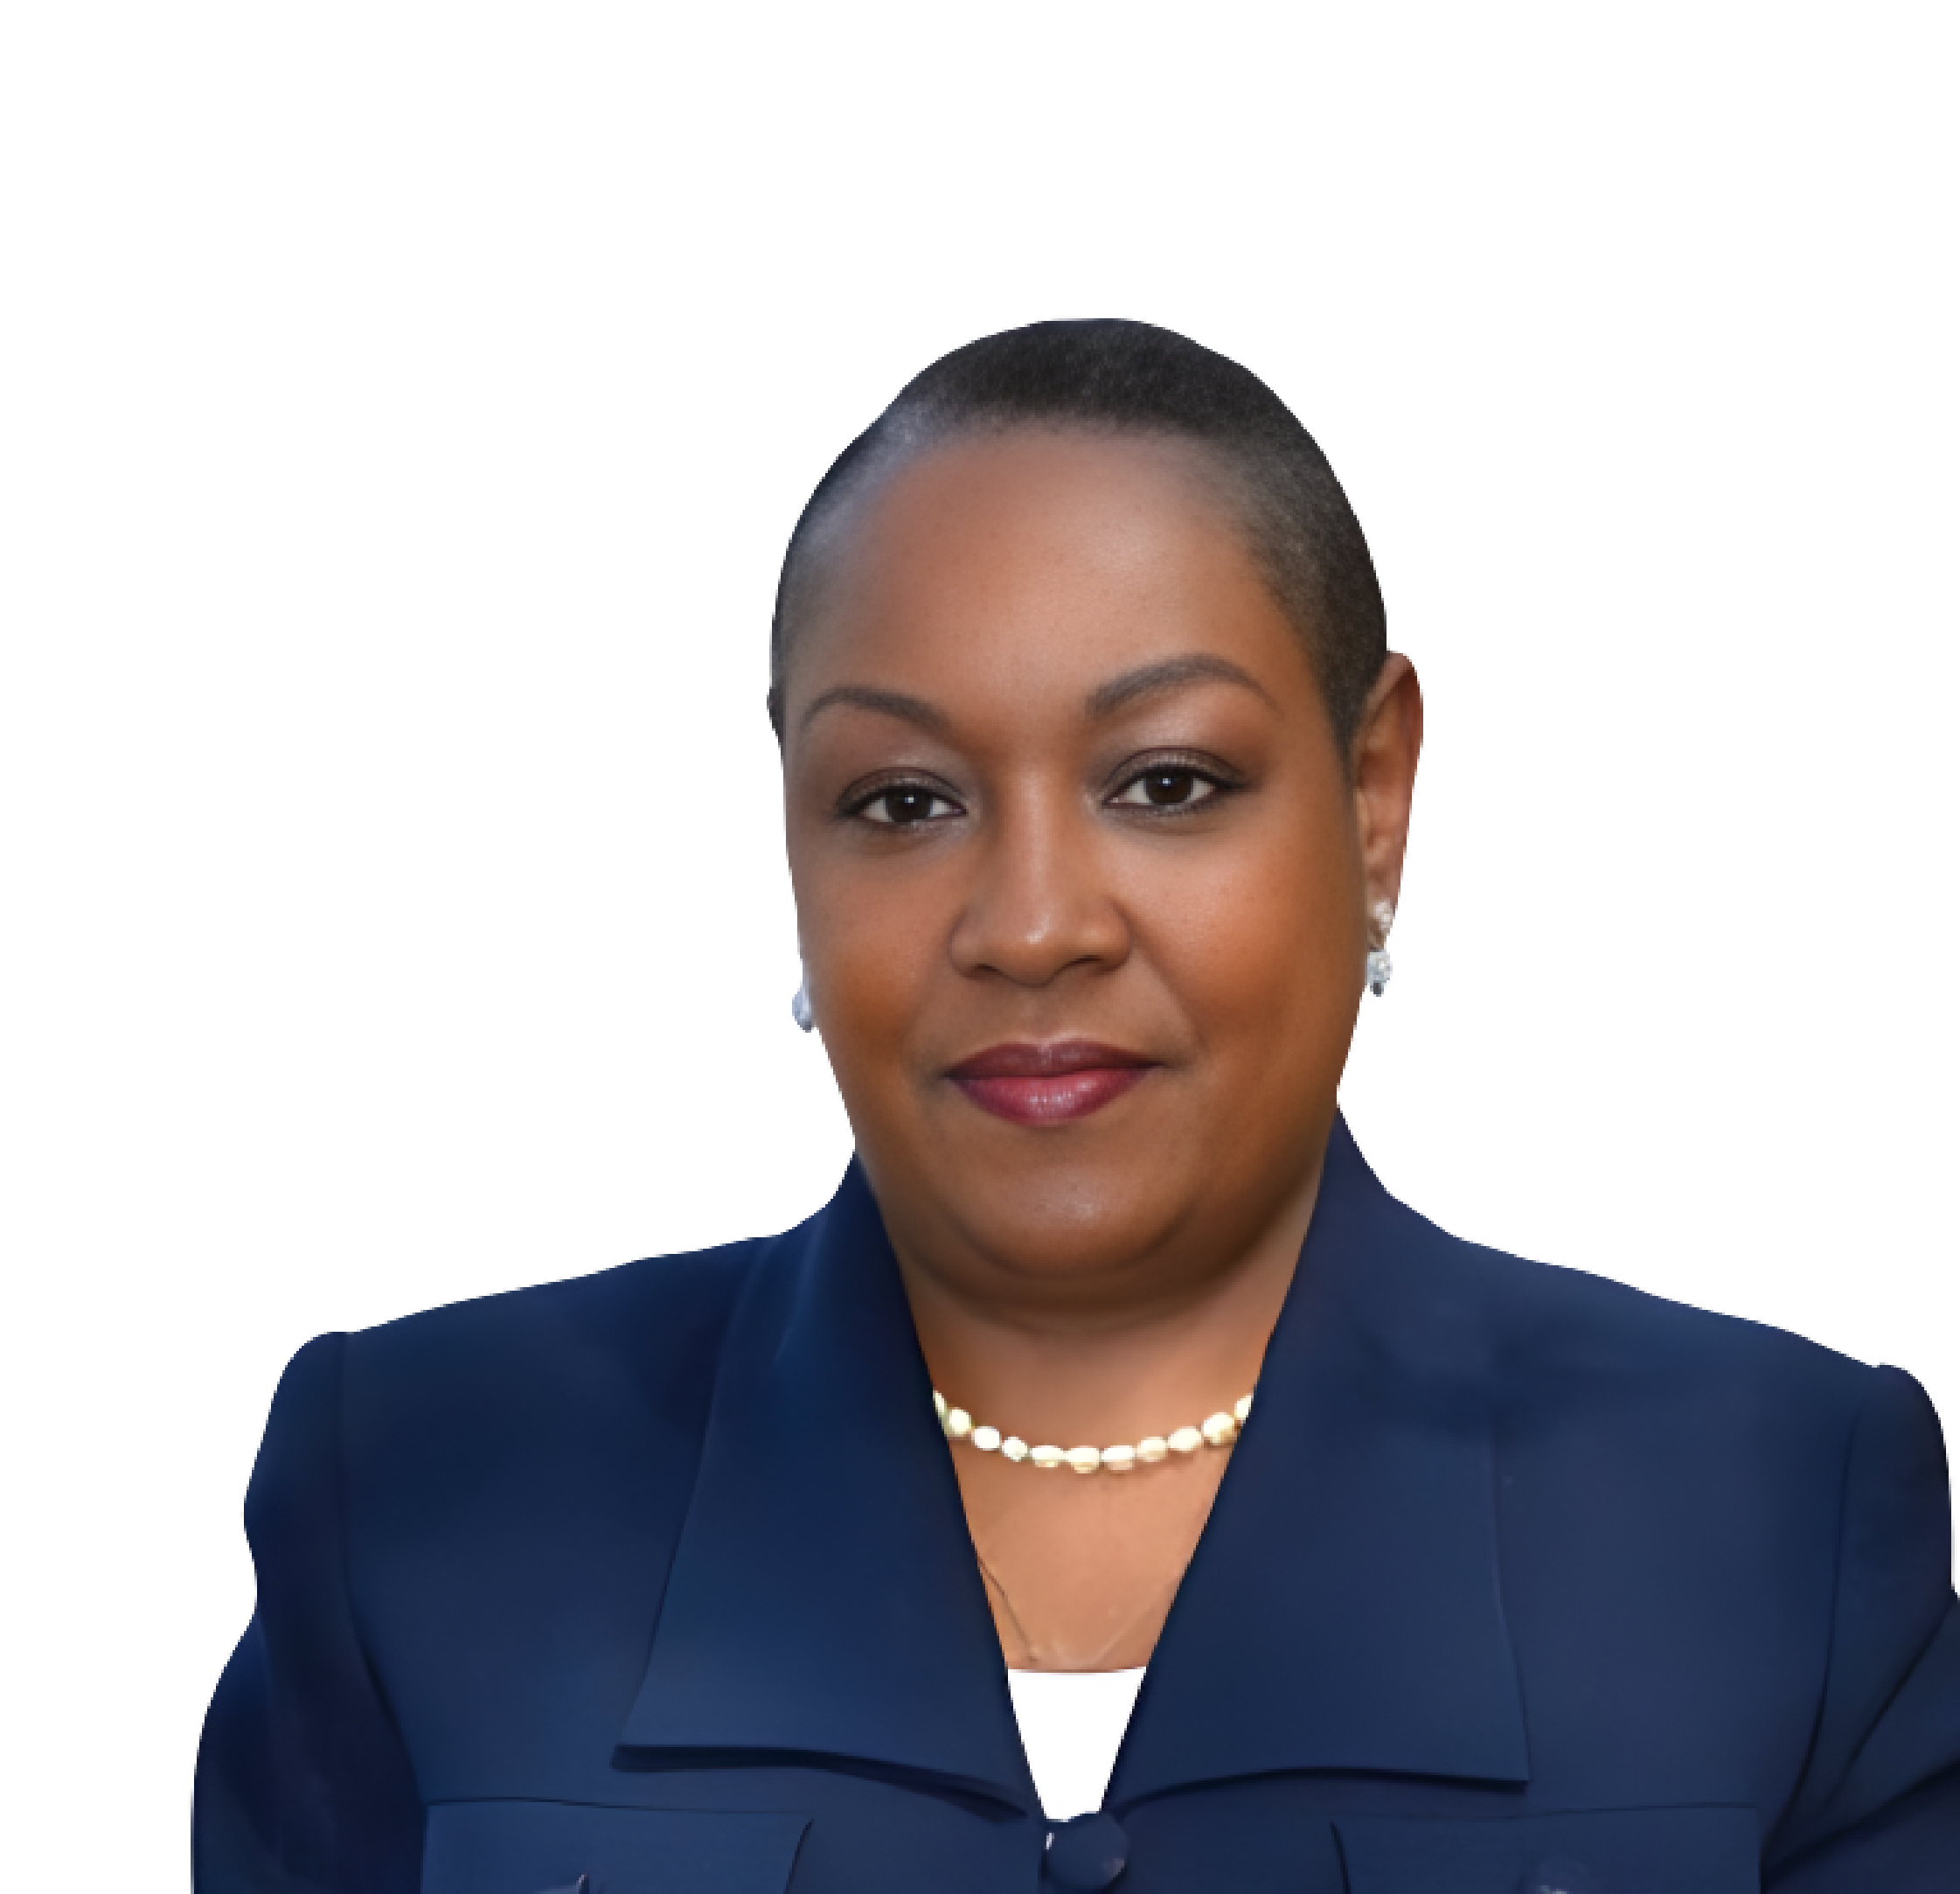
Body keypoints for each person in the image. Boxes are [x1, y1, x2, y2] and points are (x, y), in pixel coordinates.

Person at [191, 317, 1958, 1893]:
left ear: (1372, 792)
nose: (1031, 925)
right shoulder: (425, 1484)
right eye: (901, 801)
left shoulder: (1769, 1510)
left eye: (1165, 782)